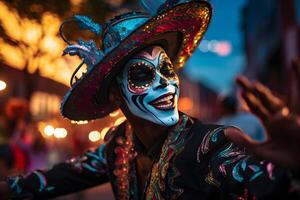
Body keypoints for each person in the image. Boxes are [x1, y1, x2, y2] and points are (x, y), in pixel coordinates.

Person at [1, 0, 300, 199]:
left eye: (167, 69)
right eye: (143, 75)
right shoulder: (119, 145)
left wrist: (295, 168)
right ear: (116, 93)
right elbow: (56, 178)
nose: (166, 83)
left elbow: (270, 186)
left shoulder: (210, 147)